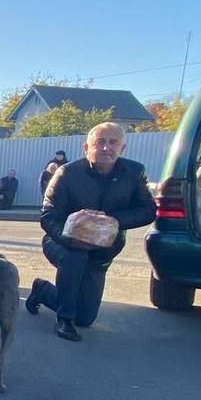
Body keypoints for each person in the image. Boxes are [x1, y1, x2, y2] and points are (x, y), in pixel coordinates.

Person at [25, 123, 156, 341]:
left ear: (122, 148)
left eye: (113, 142)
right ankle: (64, 320)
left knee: (85, 317)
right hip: (61, 242)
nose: (106, 148)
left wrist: (111, 220)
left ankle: (43, 290)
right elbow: (48, 216)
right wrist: (70, 238)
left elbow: (147, 210)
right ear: (86, 148)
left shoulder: (134, 172)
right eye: (100, 142)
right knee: (74, 257)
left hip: (103, 249)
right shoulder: (66, 173)